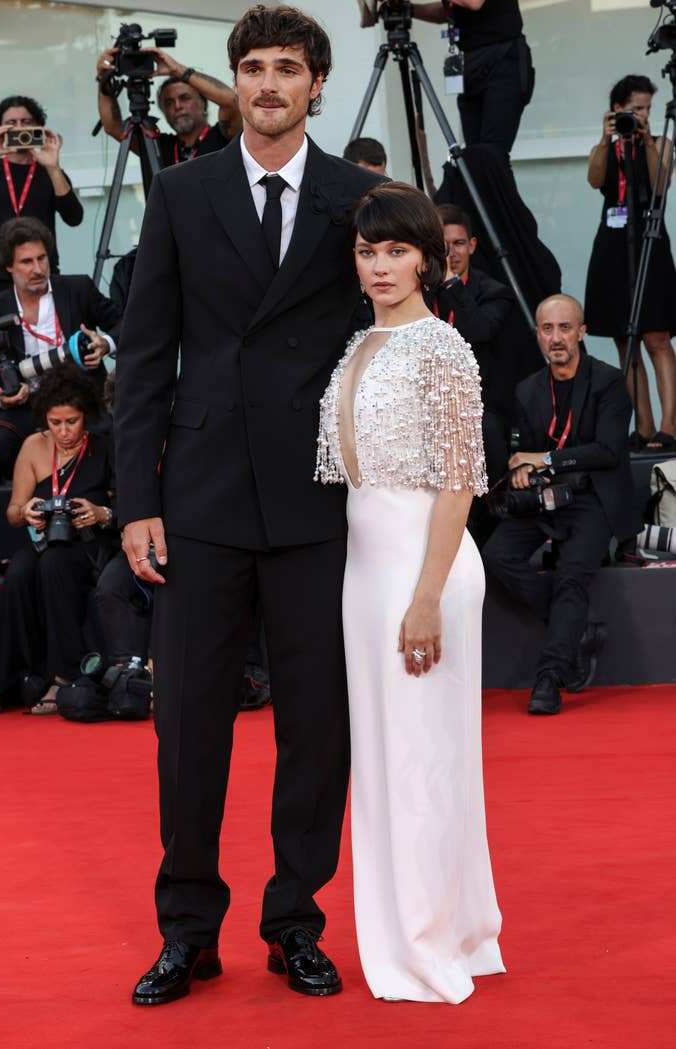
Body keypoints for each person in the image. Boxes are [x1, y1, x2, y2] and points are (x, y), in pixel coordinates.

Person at [114, 5, 383, 1006]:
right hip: (201, 500)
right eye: (253, 66)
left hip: (320, 502)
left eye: (287, 67)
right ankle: (187, 927)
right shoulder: (181, 192)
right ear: (236, 82)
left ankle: (294, 920)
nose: (268, 82)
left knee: (317, 727)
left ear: (314, 83)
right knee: (187, 727)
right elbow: (144, 355)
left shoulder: (360, 197)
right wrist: (135, 495)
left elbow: (387, 338)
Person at [315, 181, 504, 1002]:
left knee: (426, 760)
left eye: (397, 249)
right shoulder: (359, 346)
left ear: (429, 256)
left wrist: (425, 596)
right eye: (368, 250)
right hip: (367, 573)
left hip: (427, 570)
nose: (382, 265)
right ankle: (423, 930)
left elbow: (462, 479)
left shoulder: (441, 347)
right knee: (389, 761)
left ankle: (432, 944)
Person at [482, 295, 641, 716]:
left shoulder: (608, 381)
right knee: (496, 556)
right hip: (544, 497)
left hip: (593, 498)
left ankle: (550, 677)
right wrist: (523, 470)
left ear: (582, 332)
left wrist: (547, 459)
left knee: (571, 577)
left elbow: (608, 450)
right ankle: (575, 628)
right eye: (547, 329)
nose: (556, 338)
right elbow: (524, 452)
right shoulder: (527, 389)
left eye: (565, 328)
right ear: (537, 335)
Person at [0, 363, 117, 715]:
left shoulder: (104, 447)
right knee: (19, 572)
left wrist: (100, 513)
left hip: (88, 543)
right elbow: (11, 512)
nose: (64, 431)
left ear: (87, 416)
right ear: (44, 419)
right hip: (43, 539)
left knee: (56, 565)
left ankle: (64, 676)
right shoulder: (33, 447)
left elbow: (124, 504)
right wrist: (27, 511)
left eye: (72, 421)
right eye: (56, 423)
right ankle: (0, 684)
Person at [0, 217, 121, 541]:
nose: (37, 268)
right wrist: (1, 397)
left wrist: (105, 343)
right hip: (25, 406)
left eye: (41, 258)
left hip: (83, 401)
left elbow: (125, 322)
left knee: (118, 435)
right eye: (26, 261)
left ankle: (120, 524)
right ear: (9, 267)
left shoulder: (77, 288)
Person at [584, 74, 676, 450]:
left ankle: (670, 425)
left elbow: (659, 185)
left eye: (647, 109)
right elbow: (594, 180)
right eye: (635, 109)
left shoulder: (661, 143)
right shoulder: (607, 147)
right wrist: (607, 139)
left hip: (651, 242)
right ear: (617, 110)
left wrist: (647, 139)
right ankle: (644, 426)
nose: (641, 115)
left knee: (657, 336)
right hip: (614, 244)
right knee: (625, 338)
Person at [431, 203, 514, 483]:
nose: (451, 253)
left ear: (472, 245)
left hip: (478, 408)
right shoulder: (418, 292)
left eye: (458, 243)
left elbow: (478, 330)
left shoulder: (495, 292)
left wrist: (452, 284)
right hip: (428, 406)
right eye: (443, 245)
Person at [0, 95, 83, 303]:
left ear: (39, 127)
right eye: (11, 123)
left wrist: (52, 166)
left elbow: (74, 217)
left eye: (26, 122)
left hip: (41, 275)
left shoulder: (49, 171)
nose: (19, 128)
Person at [410, 1, 534, 158]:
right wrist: (409, 9)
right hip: (470, 64)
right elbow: (448, 10)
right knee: (473, 157)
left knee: (493, 155)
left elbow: (474, 2)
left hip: (503, 60)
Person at [96, 46, 242, 167]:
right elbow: (112, 126)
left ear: (203, 103)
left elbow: (231, 101)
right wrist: (103, 80)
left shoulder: (224, 137)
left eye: (185, 98)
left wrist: (177, 69)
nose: (177, 106)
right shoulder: (159, 148)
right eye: (169, 102)